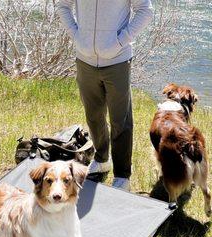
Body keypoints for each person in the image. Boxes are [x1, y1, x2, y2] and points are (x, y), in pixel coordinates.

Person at [58, 0, 154, 191]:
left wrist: (120, 41)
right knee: (93, 115)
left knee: (121, 120)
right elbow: (63, 6)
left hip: (117, 59)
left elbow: (145, 10)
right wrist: (77, 37)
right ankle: (102, 159)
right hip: (84, 59)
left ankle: (122, 176)